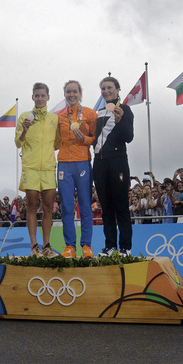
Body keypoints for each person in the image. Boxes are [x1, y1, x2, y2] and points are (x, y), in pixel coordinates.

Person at [15, 82, 60, 257]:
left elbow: (57, 142)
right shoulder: (25, 117)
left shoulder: (53, 118)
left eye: (43, 95)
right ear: (32, 97)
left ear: (48, 97)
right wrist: (25, 130)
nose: (40, 98)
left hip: (48, 168)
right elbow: (18, 142)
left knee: (49, 207)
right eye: (37, 95)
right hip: (31, 168)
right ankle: (34, 247)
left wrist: (46, 154)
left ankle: (47, 246)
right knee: (32, 207)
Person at [93, 76, 134, 257]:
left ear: (117, 89)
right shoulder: (98, 113)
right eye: (103, 88)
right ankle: (110, 247)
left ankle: (125, 248)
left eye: (109, 88)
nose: (106, 91)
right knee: (107, 208)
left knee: (121, 206)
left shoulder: (124, 109)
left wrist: (119, 121)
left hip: (118, 162)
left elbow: (128, 137)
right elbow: (93, 139)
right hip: (99, 163)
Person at [57, 80, 97, 259]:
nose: (71, 95)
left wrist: (84, 140)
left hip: (82, 162)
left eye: (74, 92)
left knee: (85, 206)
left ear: (80, 94)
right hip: (64, 163)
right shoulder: (59, 117)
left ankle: (86, 246)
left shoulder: (90, 113)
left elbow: (95, 138)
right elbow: (55, 142)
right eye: (68, 92)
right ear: (64, 94)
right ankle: (69, 247)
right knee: (66, 206)